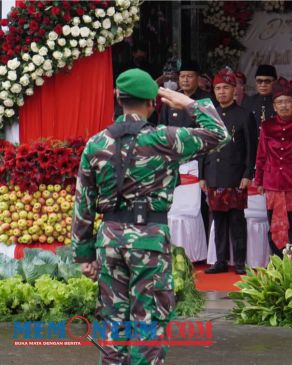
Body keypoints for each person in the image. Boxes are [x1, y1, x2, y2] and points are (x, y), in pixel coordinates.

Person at [72, 68, 229, 364]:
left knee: (113, 320)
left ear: (119, 99)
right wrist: (190, 103)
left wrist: (84, 254)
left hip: (109, 240)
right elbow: (219, 135)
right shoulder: (163, 139)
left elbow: (83, 202)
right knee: (148, 321)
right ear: (152, 103)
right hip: (148, 240)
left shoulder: (96, 143)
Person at [200, 68, 256, 275]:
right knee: (218, 220)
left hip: (235, 175)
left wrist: (247, 174)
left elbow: (252, 148)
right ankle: (221, 260)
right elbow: (203, 146)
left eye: (226, 88)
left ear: (235, 90)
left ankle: (240, 261)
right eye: (218, 88)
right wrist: (202, 176)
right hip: (214, 173)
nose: (221, 92)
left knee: (236, 220)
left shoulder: (244, 115)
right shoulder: (209, 115)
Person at [255, 78, 292, 256]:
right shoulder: (267, 126)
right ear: (274, 106)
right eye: (279, 102)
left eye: (287, 101)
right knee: (273, 224)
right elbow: (261, 155)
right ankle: (278, 263)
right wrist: (258, 180)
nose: (284, 106)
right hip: (272, 183)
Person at [158, 59, 213, 243]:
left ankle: (201, 248)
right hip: (175, 161)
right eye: (182, 76)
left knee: (199, 207)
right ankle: (175, 245)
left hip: (198, 160)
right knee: (175, 206)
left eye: (190, 76)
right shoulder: (171, 99)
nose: (186, 80)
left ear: (198, 79)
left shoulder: (205, 100)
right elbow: (162, 129)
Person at [242, 64, 278, 137]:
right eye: (259, 81)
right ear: (255, 82)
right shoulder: (248, 102)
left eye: (267, 81)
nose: (263, 84)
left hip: (274, 146)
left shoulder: (280, 102)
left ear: (275, 82)